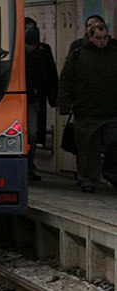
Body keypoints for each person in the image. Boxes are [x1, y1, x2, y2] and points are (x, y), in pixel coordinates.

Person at [58, 22, 117, 193]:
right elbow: (66, 81)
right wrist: (65, 105)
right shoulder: (77, 55)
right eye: (98, 38)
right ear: (90, 37)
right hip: (86, 111)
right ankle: (87, 179)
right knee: (88, 149)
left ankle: (110, 174)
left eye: (105, 38)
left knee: (114, 142)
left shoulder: (114, 53)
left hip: (111, 110)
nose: (102, 41)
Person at [24, 25, 57, 181]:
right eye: (28, 45)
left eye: (33, 45)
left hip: (32, 100)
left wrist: (53, 97)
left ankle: (29, 166)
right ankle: (26, 166)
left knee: (32, 133)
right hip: (17, 99)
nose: (30, 48)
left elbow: (50, 74)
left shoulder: (43, 52)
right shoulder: (17, 52)